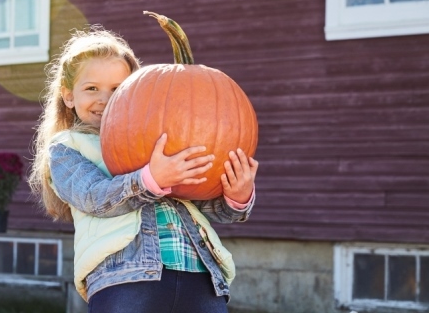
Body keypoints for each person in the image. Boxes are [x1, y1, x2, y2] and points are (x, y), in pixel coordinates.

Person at [29, 26, 259, 313]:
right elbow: (93, 197)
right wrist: (151, 179)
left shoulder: (154, 141)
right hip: (126, 277)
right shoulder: (67, 148)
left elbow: (201, 201)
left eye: (117, 89)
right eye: (91, 88)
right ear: (68, 96)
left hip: (199, 274)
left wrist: (237, 196)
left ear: (134, 91)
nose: (104, 99)